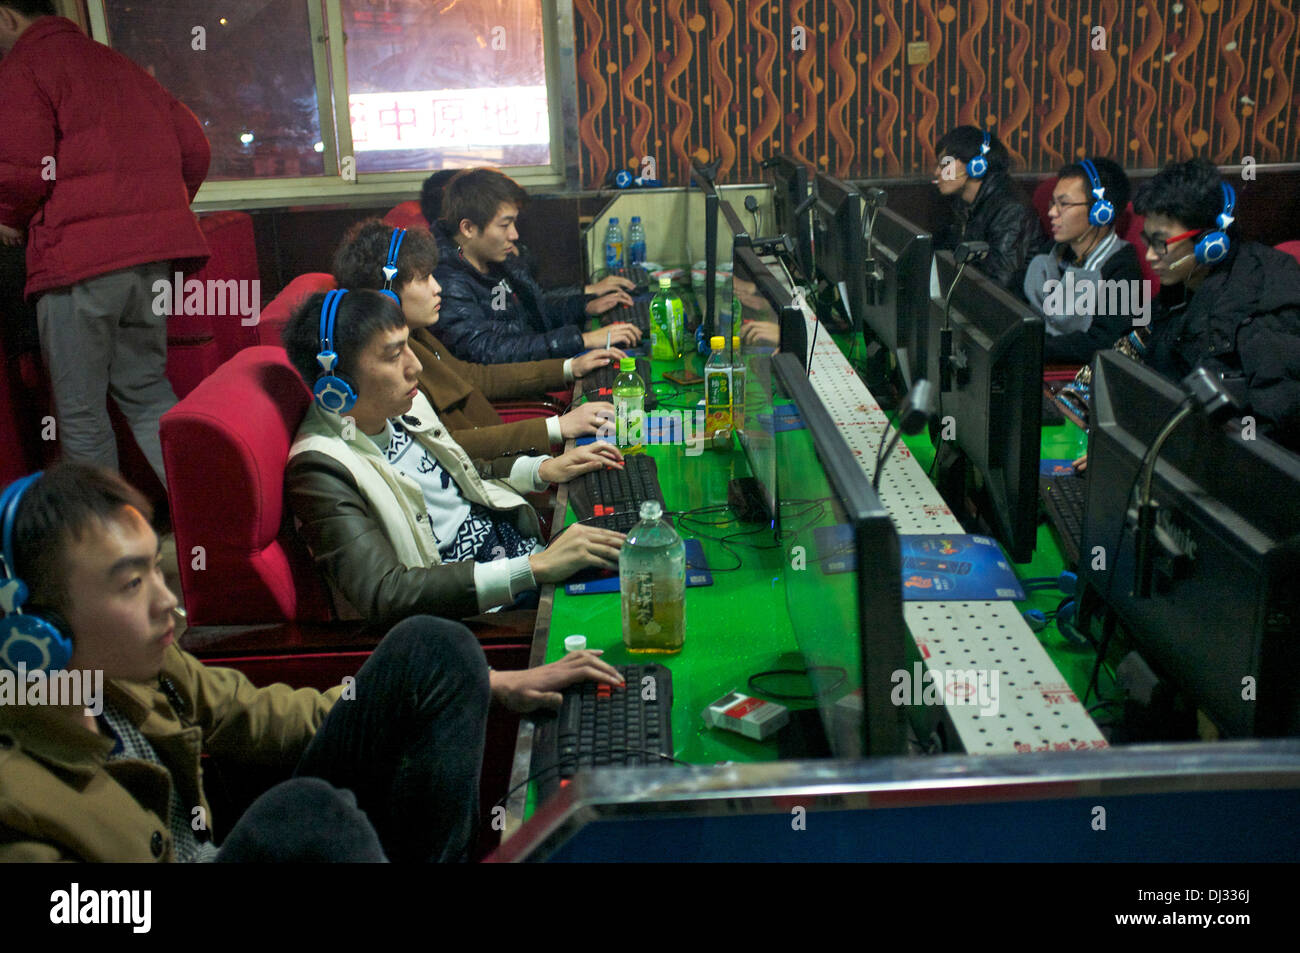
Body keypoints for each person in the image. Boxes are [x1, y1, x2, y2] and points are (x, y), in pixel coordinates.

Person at [0, 464, 624, 861]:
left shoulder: (140, 672)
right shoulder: (18, 811)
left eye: (156, 573)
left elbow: (267, 713)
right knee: (305, 817)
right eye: (132, 584)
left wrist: (489, 683)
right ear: (35, 632)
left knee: (435, 650)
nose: (173, 609)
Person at [282, 289, 631, 625]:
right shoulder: (319, 469)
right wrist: (535, 567)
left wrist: (542, 468)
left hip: (525, 555)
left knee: (642, 543)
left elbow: (457, 471)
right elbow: (384, 593)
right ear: (336, 383)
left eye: (409, 346)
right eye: (393, 355)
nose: (415, 366)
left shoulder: (395, 404)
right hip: (484, 611)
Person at [0, 2, 211, 488]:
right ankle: (206, 519)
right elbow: (195, 147)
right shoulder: (119, 63)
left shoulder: (25, 65)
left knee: (79, 414)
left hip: (78, 265)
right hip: (150, 263)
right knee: (147, 391)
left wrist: (7, 215)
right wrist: (158, 211)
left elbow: (20, 165)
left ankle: (107, 549)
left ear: (8, 17)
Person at [333, 219, 620, 458]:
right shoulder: (386, 367)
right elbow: (444, 447)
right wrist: (556, 427)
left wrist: (569, 367)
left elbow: (471, 376)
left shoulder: (417, 336)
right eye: (424, 279)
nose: (437, 288)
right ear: (387, 294)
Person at [1130, 157, 1300, 451]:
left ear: (1211, 241)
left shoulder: (1267, 299)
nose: (1149, 256)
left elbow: (1267, 430)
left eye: (1162, 243)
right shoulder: (1183, 285)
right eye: (1148, 241)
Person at [432, 167, 643, 363]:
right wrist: (583, 340)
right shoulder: (447, 282)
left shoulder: (491, 260)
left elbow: (533, 310)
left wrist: (584, 305)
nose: (514, 235)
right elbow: (489, 350)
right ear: (468, 228)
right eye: (505, 225)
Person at [1023, 158, 1144, 364]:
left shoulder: (1122, 268)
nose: (1052, 212)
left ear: (1101, 211)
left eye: (1064, 204)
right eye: (1054, 203)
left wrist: (1030, 345)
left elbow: (1103, 343)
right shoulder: (1052, 252)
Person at [932, 125, 1043, 291]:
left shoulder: (1011, 209)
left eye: (944, 164)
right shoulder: (961, 201)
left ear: (976, 165)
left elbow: (1000, 283)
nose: (936, 172)